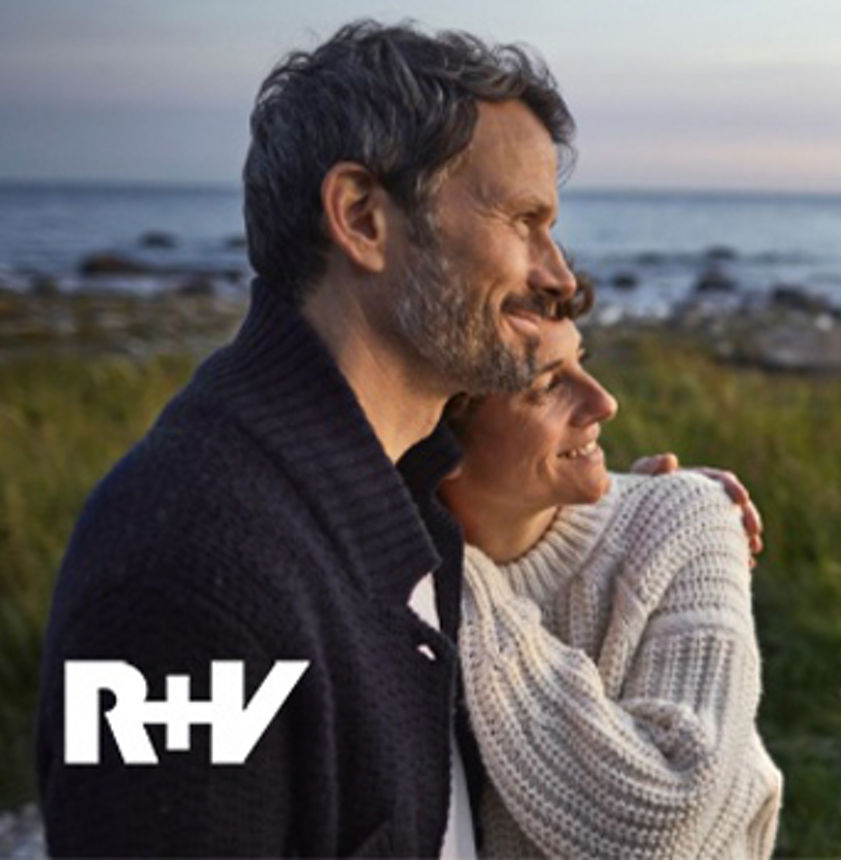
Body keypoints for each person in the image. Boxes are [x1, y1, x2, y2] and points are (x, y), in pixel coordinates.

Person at [35, 20, 761, 857]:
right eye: (523, 218)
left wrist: (656, 520)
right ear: (361, 218)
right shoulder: (186, 564)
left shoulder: (403, 503)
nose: (558, 274)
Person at [440, 291, 783, 858]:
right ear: (437, 444)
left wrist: (463, 579)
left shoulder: (685, 519)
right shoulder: (388, 570)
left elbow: (667, 816)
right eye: (548, 387)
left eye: (584, 362)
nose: (604, 403)